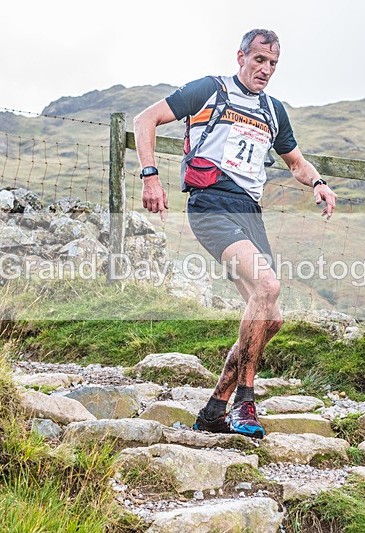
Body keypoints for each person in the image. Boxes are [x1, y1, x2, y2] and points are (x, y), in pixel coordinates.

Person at [133, 29, 336, 437]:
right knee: (267, 285)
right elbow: (145, 120)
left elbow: (295, 163)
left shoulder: (273, 111)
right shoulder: (211, 89)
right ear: (241, 56)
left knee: (271, 317)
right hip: (210, 205)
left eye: (273, 64)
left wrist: (317, 183)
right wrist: (150, 176)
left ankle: (214, 409)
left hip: (249, 213)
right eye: (259, 60)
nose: (265, 69)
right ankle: (246, 402)